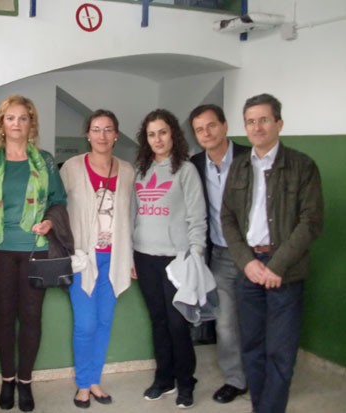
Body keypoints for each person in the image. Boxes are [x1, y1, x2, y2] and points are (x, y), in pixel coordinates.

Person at [221, 93, 323, 413]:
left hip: (285, 272)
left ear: (279, 123)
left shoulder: (302, 166)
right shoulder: (239, 167)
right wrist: (247, 262)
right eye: (250, 121)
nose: (257, 127)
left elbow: (311, 222)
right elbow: (228, 218)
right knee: (251, 348)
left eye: (264, 120)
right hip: (248, 268)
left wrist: (276, 266)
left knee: (280, 352)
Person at [0, 95, 67, 412]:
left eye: (23, 118)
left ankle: (25, 382)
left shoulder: (45, 161)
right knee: (4, 316)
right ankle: (7, 380)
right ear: (1, 124)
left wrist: (49, 221)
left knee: (31, 316)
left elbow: (58, 200)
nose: (16, 123)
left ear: (32, 123)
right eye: (10, 118)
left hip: (36, 249)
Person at [59, 110, 135, 409]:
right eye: (96, 129)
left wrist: (131, 256)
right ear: (87, 134)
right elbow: (56, 207)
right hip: (83, 260)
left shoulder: (127, 171)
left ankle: (94, 381)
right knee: (86, 324)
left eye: (108, 129)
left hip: (115, 259)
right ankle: (82, 383)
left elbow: (131, 216)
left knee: (104, 322)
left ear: (116, 135)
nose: (102, 135)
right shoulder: (72, 168)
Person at [131, 109, 206, 409]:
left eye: (162, 132)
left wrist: (196, 255)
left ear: (173, 133)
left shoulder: (186, 170)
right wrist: (130, 254)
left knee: (177, 324)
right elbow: (133, 214)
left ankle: (186, 382)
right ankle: (164, 379)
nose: (158, 139)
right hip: (144, 257)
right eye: (151, 134)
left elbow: (197, 218)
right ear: (146, 139)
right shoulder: (140, 170)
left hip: (177, 260)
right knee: (158, 321)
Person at [189, 104, 249, 403]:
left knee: (258, 318)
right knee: (224, 323)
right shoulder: (195, 164)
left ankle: (262, 374)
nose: (206, 133)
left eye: (211, 125)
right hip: (221, 255)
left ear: (225, 126)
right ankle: (236, 379)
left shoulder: (250, 157)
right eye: (199, 129)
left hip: (255, 254)